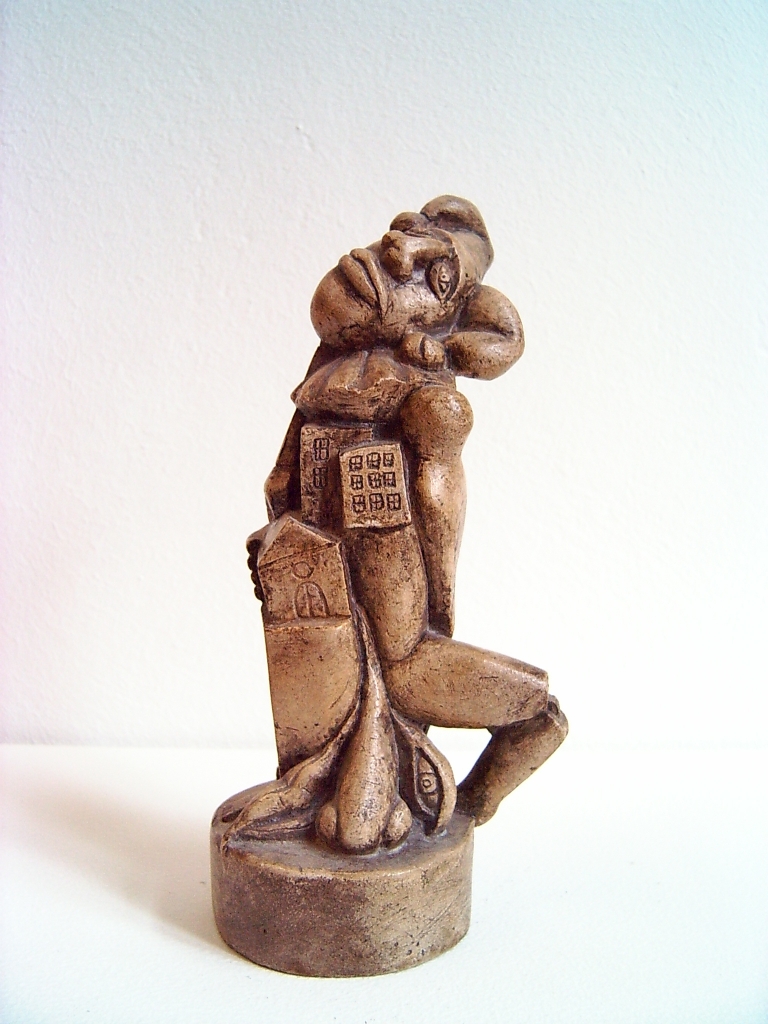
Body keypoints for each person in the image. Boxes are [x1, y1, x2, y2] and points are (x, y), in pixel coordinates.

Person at [255, 196, 567, 832]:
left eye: (436, 274)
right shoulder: (335, 364)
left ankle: (506, 750)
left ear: (453, 315)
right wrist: (277, 520)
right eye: (401, 232)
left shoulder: (421, 397)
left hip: (377, 527)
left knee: (404, 667)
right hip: (311, 558)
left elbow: (430, 494)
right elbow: (287, 465)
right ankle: (337, 781)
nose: (396, 253)